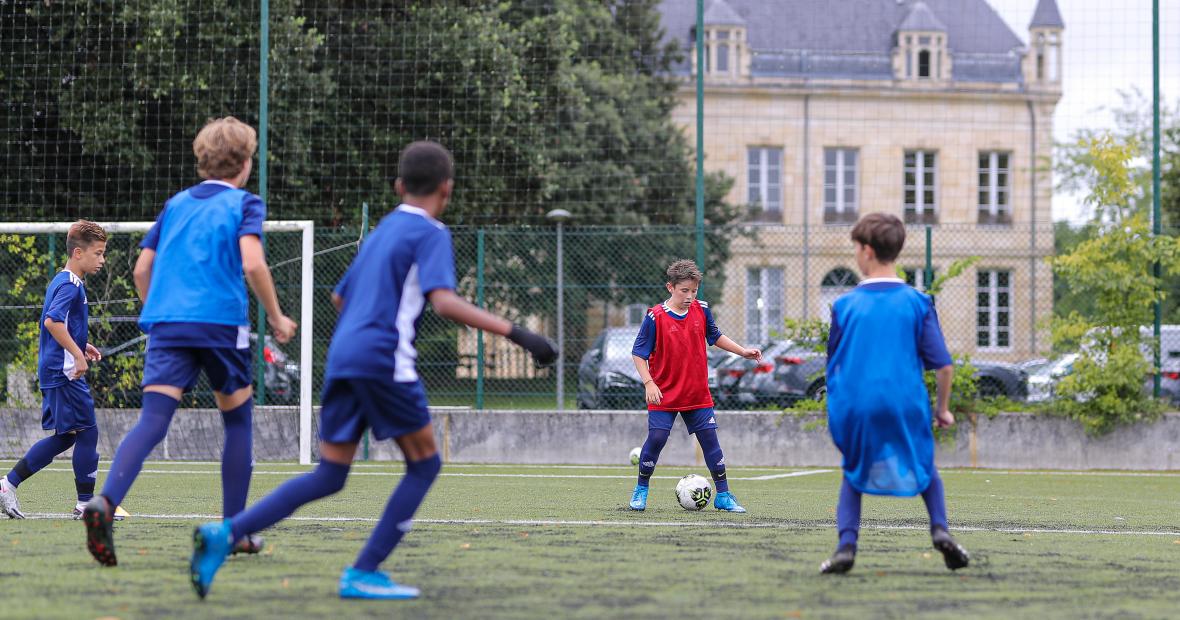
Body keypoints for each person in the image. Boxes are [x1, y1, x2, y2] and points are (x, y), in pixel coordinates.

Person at [188, 140, 557, 600]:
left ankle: (225, 534)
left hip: (344, 357)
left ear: (400, 186)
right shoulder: (431, 232)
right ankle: (363, 571)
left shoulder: (384, 229)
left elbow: (340, 297)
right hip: (384, 358)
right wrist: (520, 334)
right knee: (425, 463)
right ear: (447, 188)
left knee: (330, 474)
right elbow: (443, 300)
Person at [83, 116, 298, 567]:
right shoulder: (245, 203)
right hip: (220, 325)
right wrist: (277, 317)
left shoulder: (176, 204)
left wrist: (155, 313)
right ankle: (233, 531)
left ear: (203, 162)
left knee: (153, 420)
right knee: (237, 422)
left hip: (169, 325)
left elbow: (143, 269)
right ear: (244, 164)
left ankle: (104, 501)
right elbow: (254, 264)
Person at [819, 212, 969, 574]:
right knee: (925, 467)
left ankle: (846, 547)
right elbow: (944, 366)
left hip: (857, 405)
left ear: (867, 251)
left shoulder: (844, 305)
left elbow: (834, 363)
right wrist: (943, 409)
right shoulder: (918, 303)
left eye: (856, 248)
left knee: (853, 471)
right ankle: (940, 530)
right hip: (906, 402)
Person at [627, 259, 761, 512]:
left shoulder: (702, 309)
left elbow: (715, 336)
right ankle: (641, 489)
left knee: (710, 441)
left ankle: (723, 496)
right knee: (656, 438)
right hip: (664, 393)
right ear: (670, 287)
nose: (690, 296)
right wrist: (649, 383)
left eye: (694, 291)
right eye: (684, 291)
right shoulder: (655, 317)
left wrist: (742, 351)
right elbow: (638, 353)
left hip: (696, 392)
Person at [1, 221, 108, 520]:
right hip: (63, 373)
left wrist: (82, 346)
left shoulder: (65, 281)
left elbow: (61, 325)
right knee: (88, 431)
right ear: (78, 252)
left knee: (67, 436)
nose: (102, 260)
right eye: (98, 254)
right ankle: (85, 505)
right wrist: (77, 355)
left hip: (55, 370)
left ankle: (7, 485)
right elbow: (52, 322)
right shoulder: (69, 285)